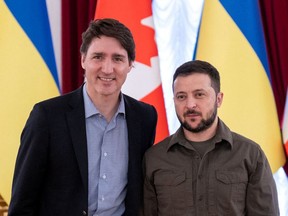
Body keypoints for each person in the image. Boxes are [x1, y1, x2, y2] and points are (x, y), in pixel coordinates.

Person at [8, 18, 157, 216]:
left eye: (118, 59)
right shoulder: (47, 117)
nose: (107, 68)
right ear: (83, 60)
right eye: (98, 57)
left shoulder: (145, 117)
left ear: (130, 64)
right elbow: (22, 202)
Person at [143, 60, 279, 216]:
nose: (190, 104)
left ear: (219, 99)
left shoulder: (250, 155)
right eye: (181, 97)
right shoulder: (154, 158)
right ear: (173, 100)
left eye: (199, 94)